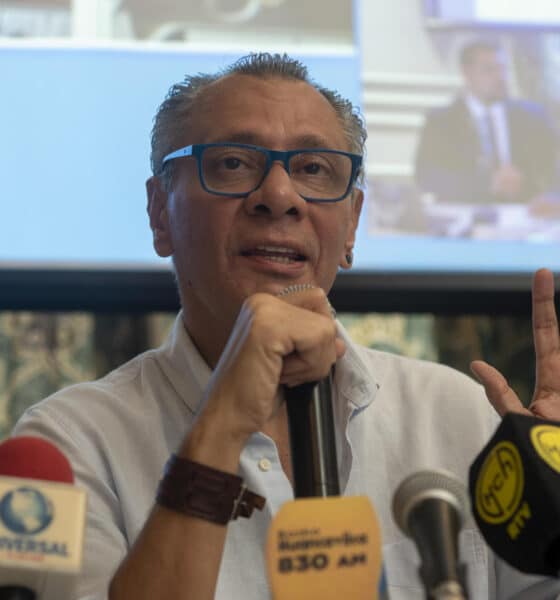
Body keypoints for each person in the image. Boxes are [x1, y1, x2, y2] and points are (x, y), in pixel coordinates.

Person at [13, 53, 560, 599]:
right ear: (160, 213)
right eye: (232, 163)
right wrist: (223, 420)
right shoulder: (62, 448)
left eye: (314, 169)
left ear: (352, 226)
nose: (279, 196)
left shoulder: (457, 413)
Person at [415, 39, 559, 206]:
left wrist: (542, 192)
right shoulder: (441, 122)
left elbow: (553, 169)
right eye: (489, 70)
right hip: (466, 216)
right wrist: (488, 184)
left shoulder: (533, 117)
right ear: (467, 74)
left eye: (502, 69)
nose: (500, 77)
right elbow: (427, 177)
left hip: (526, 214)